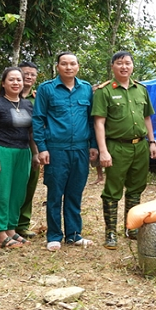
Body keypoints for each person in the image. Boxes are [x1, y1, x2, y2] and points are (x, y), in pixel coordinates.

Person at [92, 51, 156, 250]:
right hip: (116, 146)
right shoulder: (104, 91)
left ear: (132, 66)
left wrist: (152, 142)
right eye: (119, 63)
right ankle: (110, 232)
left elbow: (147, 118)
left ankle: (132, 227)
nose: (124, 67)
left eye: (127, 63)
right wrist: (103, 151)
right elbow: (99, 123)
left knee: (136, 188)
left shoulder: (141, 89)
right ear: (112, 66)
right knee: (112, 190)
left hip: (140, 145)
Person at [32, 52, 97, 251]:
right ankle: (54, 235)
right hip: (56, 149)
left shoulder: (86, 89)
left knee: (75, 192)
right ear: (57, 67)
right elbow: (38, 119)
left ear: (78, 66)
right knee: (55, 194)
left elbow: (92, 120)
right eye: (64, 64)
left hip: (80, 149)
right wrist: (42, 148)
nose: (68, 67)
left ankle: (74, 234)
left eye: (72, 64)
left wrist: (93, 145)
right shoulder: (46, 89)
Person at [0, 67, 38, 249]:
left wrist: (35, 153)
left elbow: (31, 133)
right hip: (1, 151)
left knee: (18, 193)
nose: (16, 83)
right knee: (1, 192)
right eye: (12, 80)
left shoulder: (28, 105)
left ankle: (11, 229)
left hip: (23, 152)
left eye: (19, 80)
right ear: (3, 83)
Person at [16, 61, 41, 239]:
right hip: (11, 147)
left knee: (29, 185)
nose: (28, 77)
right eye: (25, 73)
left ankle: (22, 224)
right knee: (6, 188)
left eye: (32, 74)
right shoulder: (7, 97)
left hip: (33, 148)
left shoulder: (37, 99)